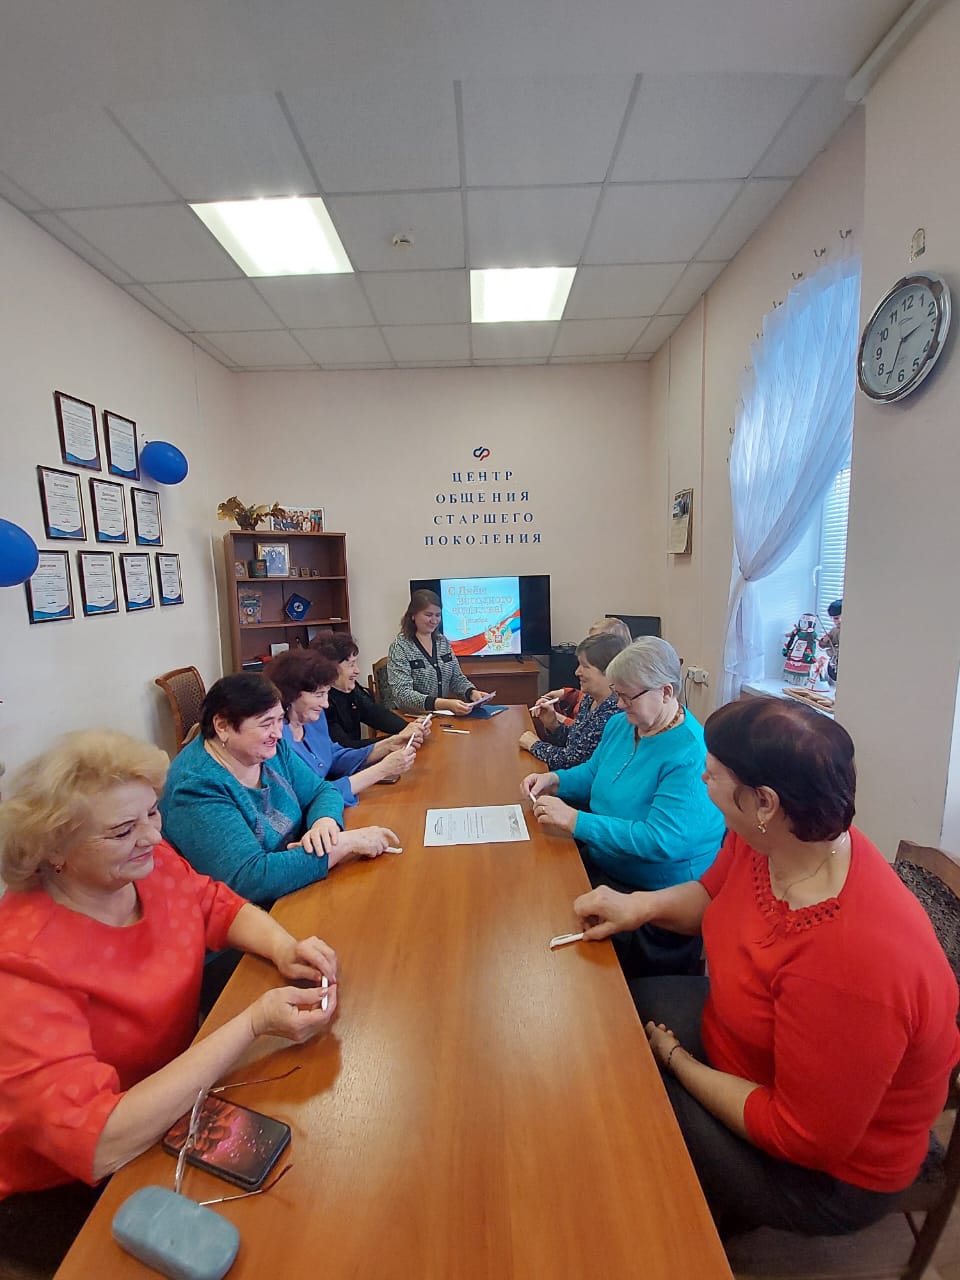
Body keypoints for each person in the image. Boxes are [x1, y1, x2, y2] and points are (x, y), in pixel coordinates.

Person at [572, 697, 960, 1240]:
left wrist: (678, 1060)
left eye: (713, 773)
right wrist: (639, 905)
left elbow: (802, 1135)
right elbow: (714, 894)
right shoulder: (775, 839)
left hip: (826, 1173)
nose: (701, 778)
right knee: (612, 1013)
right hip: (747, 1049)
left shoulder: (854, 962)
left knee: (629, 1120)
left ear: (764, 801)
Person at [0, 730, 340, 1273]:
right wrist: (251, 1023)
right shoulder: (21, 962)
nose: (153, 839)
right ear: (53, 850)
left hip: (172, 1104)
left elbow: (215, 904)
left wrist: (285, 946)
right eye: (121, 830)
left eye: (152, 815)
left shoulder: (149, 868)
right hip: (63, 1182)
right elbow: (100, 1141)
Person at [522, 637, 724, 975]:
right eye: (616, 693)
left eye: (627, 696)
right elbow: (594, 772)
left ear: (666, 692)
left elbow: (661, 840)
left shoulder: (690, 754)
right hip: (606, 866)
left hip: (653, 900)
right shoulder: (622, 724)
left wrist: (577, 821)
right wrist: (553, 780)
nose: (617, 705)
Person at [160, 673, 399, 905]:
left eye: (279, 720)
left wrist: (324, 824)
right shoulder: (195, 787)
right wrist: (341, 846)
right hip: (251, 920)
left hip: (296, 887)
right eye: (266, 724)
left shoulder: (271, 751)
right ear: (222, 726)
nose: (277, 733)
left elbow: (322, 792)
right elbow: (249, 880)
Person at [269, 648, 423, 805]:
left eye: (326, 693)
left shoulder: (315, 719)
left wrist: (389, 745)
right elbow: (313, 796)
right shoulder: (275, 739)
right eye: (318, 695)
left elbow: (334, 758)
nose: (326, 703)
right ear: (291, 694)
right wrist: (382, 769)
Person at [518, 631, 625, 769]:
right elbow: (576, 742)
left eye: (585, 667)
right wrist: (554, 726)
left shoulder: (613, 714)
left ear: (610, 671)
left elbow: (572, 761)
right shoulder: (589, 699)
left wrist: (534, 745)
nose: (577, 672)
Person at [311, 630, 428, 749]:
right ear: (330, 669)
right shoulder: (320, 704)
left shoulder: (351, 689)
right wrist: (397, 739)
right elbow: (345, 748)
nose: (357, 670)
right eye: (351, 665)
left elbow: (374, 713)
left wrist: (410, 728)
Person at [387, 589, 491, 716]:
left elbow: (456, 678)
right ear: (413, 615)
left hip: (441, 716)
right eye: (428, 615)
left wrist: (471, 693)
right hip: (411, 718)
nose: (434, 620)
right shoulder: (400, 647)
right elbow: (402, 694)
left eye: (438, 615)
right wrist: (443, 704)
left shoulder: (443, 642)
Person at [532, 616, 633, 732]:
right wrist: (565, 693)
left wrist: (557, 718)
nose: (590, 648)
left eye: (597, 643)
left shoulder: (615, 708)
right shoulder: (590, 697)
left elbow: (582, 734)